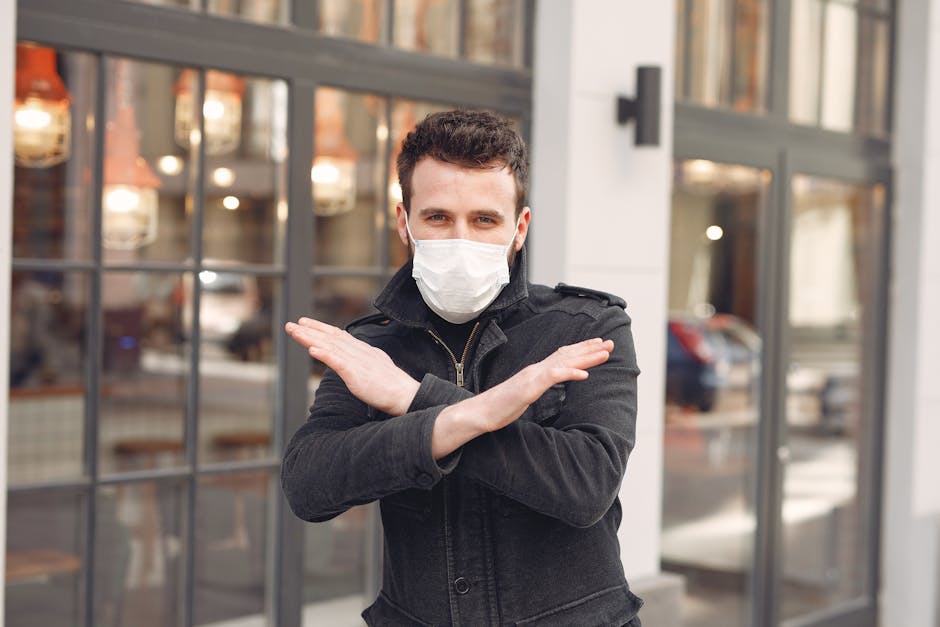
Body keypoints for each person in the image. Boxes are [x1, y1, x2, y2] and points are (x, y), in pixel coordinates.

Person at [282, 109, 642, 626]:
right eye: (437, 218)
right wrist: (466, 418)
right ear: (404, 223)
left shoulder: (586, 326)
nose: (460, 240)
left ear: (519, 228)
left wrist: (412, 402)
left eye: (484, 220)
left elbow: (587, 485)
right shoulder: (373, 345)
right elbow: (309, 484)